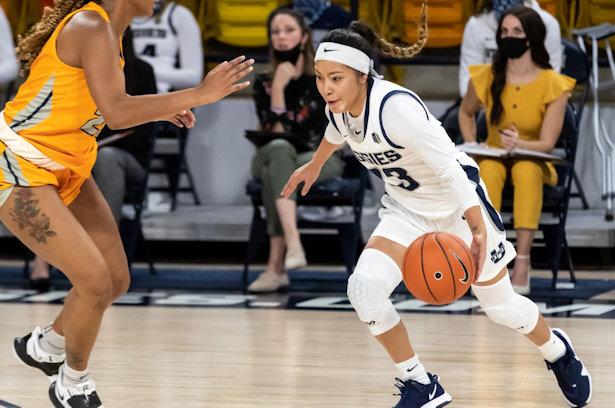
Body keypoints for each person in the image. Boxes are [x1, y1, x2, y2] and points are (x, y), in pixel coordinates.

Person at [281, 6, 591, 408]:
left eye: (336, 79)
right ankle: (422, 384)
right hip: (406, 211)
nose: (326, 88)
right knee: (363, 289)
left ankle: (556, 350)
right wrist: (316, 163)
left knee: (500, 308)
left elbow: (451, 171)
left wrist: (478, 230)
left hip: (458, 205)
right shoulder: (340, 105)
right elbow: (337, 130)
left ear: (363, 76)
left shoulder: (398, 109)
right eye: (321, 78)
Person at [3, 1, 253, 407]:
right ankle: (72, 382)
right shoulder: (89, 25)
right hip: (19, 164)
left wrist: (161, 108)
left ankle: (45, 346)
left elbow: (107, 103)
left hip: (66, 166)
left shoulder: (110, 34)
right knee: (95, 283)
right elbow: (116, 113)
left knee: (116, 280)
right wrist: (199, 94)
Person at [458, 6, 575, 295]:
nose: (509, 37)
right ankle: (486, 260)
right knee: (488, 170)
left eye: (517, 32)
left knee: (526, 170)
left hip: (534, 159)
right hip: (494, 155)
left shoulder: (553, 84)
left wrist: (520, 144)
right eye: (505, 32)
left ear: (532, 37)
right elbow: (465, 112)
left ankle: (522, 261)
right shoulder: (486, 75)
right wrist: (473, 142)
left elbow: (547, 143)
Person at [247, 8, 345, 293]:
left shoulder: (325, 78)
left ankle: (275, 267)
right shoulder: (263, 82)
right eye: (276, 32)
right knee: (278, 150)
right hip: (271, 151)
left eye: (289, 30)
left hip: (320, 157)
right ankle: (294, 243)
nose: (281, 37)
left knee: (275, 171)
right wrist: (277, 88)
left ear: (304, 37)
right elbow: (277, 136)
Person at [92, 27, 157, 224]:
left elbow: (143, 135)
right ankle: (48, 250)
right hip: (85, 154)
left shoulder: (142, 72)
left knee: (106, 158)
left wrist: (103, 139)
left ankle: (107, 241)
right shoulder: (83, 72)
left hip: (128, 157)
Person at [459, 0, 561, 97]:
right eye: (504, 31)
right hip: (488, 104)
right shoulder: (475, 25)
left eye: (518, 31)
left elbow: (552, 79)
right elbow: (467, 81)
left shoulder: (548, 24)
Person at [131, 0, 203, 94]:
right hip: (126, 88)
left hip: (161, 92)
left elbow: (194, 77)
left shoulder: (178, 14)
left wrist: (147, 73)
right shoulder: (116, 16)